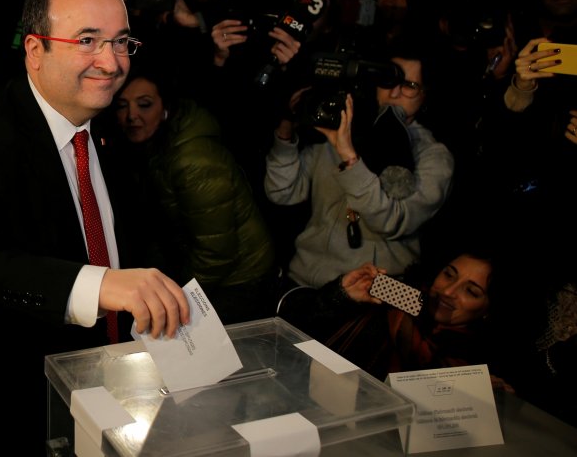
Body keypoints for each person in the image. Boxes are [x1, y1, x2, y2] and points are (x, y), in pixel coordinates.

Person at [0, 0, 191, 453]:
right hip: (29, 409)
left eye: (121, 41)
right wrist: (98, 285)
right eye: (87, 40)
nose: (111, 63)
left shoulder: (107, 130)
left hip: (126, 394)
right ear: (35, 49)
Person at [265, 46, 454, 289]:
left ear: (425, 94)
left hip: (376, 291)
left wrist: (350, 160)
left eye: (409, 86)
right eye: (389, 80)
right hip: (305, 280)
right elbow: (281, 192)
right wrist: (286, 125)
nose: (395, 92)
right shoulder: (345, 127)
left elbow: (392, 223)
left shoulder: (434, 156)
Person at [112, 63, 278, 323]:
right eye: (122, 105)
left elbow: (217, 252)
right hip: (204, 266)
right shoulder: (153, 145)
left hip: (241, 278)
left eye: (144, 104)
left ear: (165, 109)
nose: (131, 115)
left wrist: (174, 299)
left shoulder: (193, 160)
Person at [278, 252, 498, 382]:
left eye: (471, 291)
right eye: (449, 274)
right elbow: (291, 326)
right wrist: (340, 294)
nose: (449, 292)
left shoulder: (479, 364)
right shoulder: (401, 296)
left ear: (488, 309)